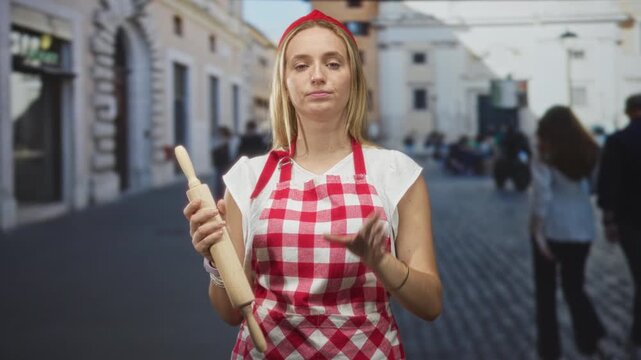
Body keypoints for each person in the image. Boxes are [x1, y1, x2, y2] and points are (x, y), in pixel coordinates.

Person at [182, 10, 442, 359]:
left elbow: (430, 304)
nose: (317, 76)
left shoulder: (397, 173)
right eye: (301, 66)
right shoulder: (248, 178)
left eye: (333, 64)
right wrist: (216, 261)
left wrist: (382, 261)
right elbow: (232, 313)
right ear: (285, 83)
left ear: (354, 79)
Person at [530, 106, 605, 360]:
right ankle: (590, 336)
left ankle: (549, 351)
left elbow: (542, 194)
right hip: (583, 226)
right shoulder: (590, 150)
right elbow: (595, 187)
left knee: (546, 295)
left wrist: (537, 230)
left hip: (552, 227)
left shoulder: (545, 152)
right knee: (575, 286)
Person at [597, 93, 641, 358]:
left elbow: (608, 183)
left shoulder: (617, 141)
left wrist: (608, 219)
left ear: (628, 112)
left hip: (629, 220)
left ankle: (637, 335)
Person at [211, 126, 235, 199]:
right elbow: (214, 157)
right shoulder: (218, 145)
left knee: (227, 186)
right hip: (220, 168)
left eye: (221, 136)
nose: (219, 138)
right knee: (219, 186)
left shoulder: (230, 144)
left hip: (228, 168)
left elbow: (232, 156)